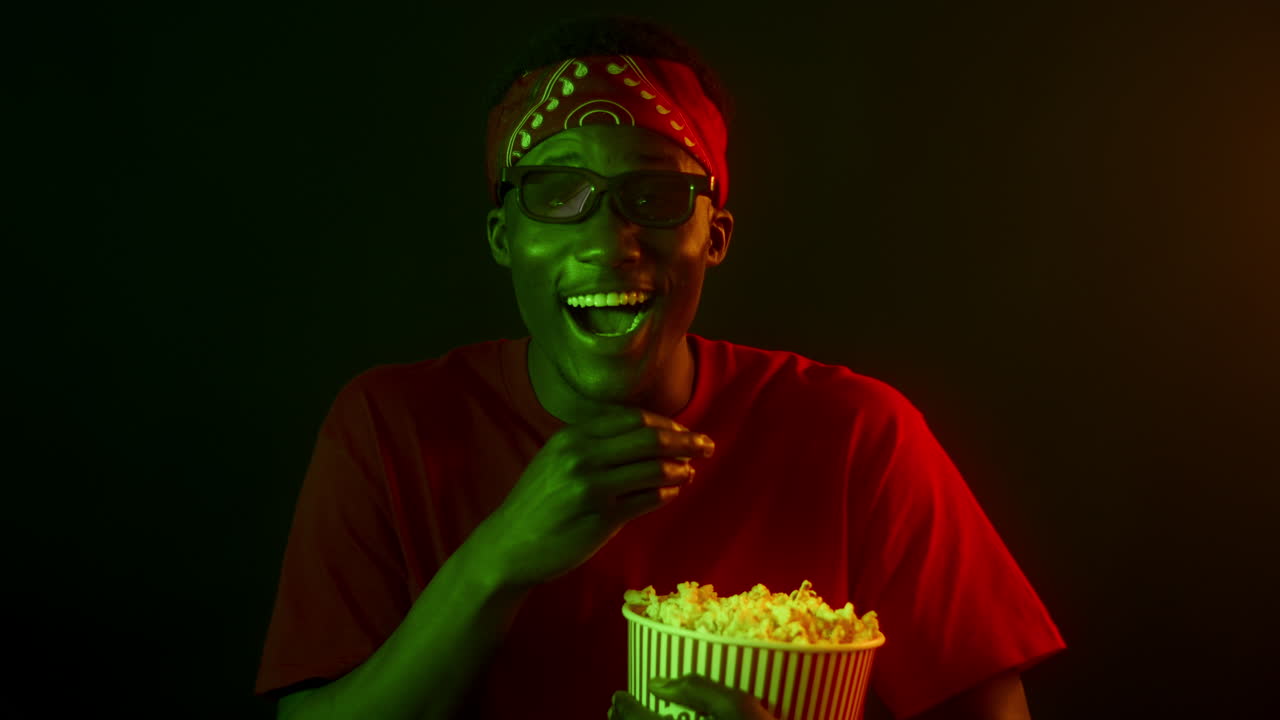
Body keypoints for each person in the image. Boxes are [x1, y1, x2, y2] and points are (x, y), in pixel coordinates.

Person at [254, 13, 1065, 720]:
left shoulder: (859, 435)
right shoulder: (390, 428)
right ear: (503, 236)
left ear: (715, 237)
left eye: (655, 195)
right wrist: (499, 556)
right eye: (555, 192)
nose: (609, 241)